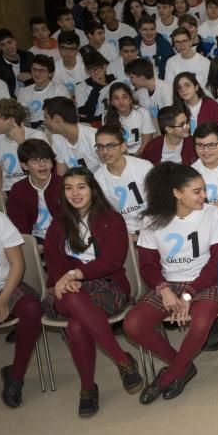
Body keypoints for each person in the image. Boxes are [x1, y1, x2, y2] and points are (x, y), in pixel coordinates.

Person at [42, 167, 143, 416]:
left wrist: (77, 274)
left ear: (92, 189)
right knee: (72, 297)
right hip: (66, 288)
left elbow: (112, 261)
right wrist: (65, 280)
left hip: (108, 284)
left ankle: (87, 387)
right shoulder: (57, 225)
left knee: (77, 325)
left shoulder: (112, 219)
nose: (75, 193)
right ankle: (122, 359)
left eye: (81, 187)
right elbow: (54, 263)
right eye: (68, 188)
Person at [124, 162, 218, 403]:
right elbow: (147, 265)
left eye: (204, 189)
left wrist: (188, 294)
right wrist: (164, 290)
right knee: (133, 325)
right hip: (168, 283)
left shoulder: (212, 214)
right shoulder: (152, 220)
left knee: (201, 323)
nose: (205, 195)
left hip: (205, 282)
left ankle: (169, 376)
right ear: (177, 193)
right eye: (197, 191)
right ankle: (183, 366)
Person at [0, 211, 44, 409]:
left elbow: (17, 264)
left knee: (31, 309)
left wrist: (4, 299)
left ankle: (16, 377)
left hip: (7, 285)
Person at [7, 139, 62, 240]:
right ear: (24, 165)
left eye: (46, 159)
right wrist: (33, 244)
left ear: (52, 163)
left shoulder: (63, 185)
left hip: (62, 238)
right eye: (35, 160)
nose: (42, 164)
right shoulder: (18, 190)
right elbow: (18, 226)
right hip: (34, 240)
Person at [0, 98, 47, 193]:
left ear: (11, 120)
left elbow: (41, 170)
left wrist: (21, 142)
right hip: (8, 192)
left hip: (34, 188)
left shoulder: (37, 136)